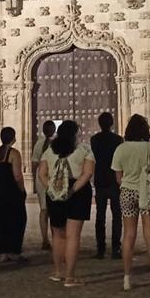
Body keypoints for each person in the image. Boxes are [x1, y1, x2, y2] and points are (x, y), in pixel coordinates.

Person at [38, 120, 95, 287]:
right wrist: (73, 189)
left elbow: (42, 173)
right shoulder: (84, 149)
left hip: (54, 194)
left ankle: (57, 272)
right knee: (73, 236)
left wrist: (52, 188)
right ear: (75, 134)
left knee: (57, 235)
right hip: (77, 193)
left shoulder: (50, 150)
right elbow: (88, 173)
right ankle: (70, 277)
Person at [112, 114, 150, 291]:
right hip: (146, 192)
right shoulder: (149, 148)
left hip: (127, 192)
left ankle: (127, 279)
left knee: (128, 235)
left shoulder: (121, 148)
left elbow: (118, 176)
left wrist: (127, 184)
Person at [0, 127, 28, 263]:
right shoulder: (14, 153)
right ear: (13, 138)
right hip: (12, 191)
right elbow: (17, 175)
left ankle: (3, 252)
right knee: (18, 220)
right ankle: (15, 251)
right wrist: (22, 190)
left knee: (1, 221)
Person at [89, 111, 123, 259]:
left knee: (100, 216)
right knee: (117, 215)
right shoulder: (118, 140)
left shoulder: (94, 139)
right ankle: (116, 248)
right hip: (115, 180)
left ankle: (100, 249)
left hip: (101, 180)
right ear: (112, 123)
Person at [30, 120, 56, 251]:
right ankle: (55, 238)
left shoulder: (39, 144)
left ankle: (45, 239)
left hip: (40, 178)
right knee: (54, 210)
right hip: (53, 179)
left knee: (44, 209)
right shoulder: (56, 144)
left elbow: (34, 163)